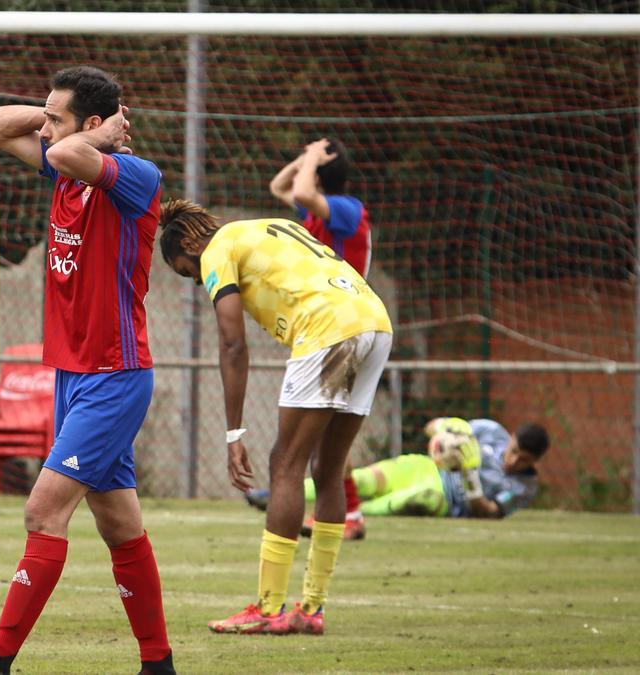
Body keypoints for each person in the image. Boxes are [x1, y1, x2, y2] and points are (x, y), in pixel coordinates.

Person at [0, 66, 174, 675]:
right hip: (74, 375)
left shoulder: (134, 177)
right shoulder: (68, 162)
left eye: (56, 117)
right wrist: (58, 117)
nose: (43, 129)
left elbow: (66, 147)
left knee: (42, 512)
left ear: (92, 127)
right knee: (119, 526)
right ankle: (159, 666)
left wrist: (88, 134)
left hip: (114, 376)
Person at [157, 199, 392, 636]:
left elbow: (232, 344)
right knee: (329, 470)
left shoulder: (216, 250)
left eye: (188, 273)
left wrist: (234, 433)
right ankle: (312, 609)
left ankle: (267, 608)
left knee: (285, 465)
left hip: (327, 328)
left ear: (190, 243)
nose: (197, 281)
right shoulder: (269, 225)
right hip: (374, 321)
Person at [270, 137, 372, 540]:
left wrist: (310, 160)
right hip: (327, 329)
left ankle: (351, 515)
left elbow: (300, 190)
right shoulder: (316, 215)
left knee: (316, 440)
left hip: (345, 327)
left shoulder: (347, 210)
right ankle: (352, 514)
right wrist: (304, 159)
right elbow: (281, 188)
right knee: (320, 438)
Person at [298, 417, 550, 519]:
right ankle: (280, 494)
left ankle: (350, 514)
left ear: (535, 462)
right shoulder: (490, 430)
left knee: (414, 499)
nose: (514, 461)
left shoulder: (524, 486)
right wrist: (447, 435)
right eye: (514, 451)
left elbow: (489, 513)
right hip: (425, 467)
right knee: (363, 480)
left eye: (524, 460)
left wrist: (470, 477)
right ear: (512, 437)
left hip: (448, 499)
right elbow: (432, 426)